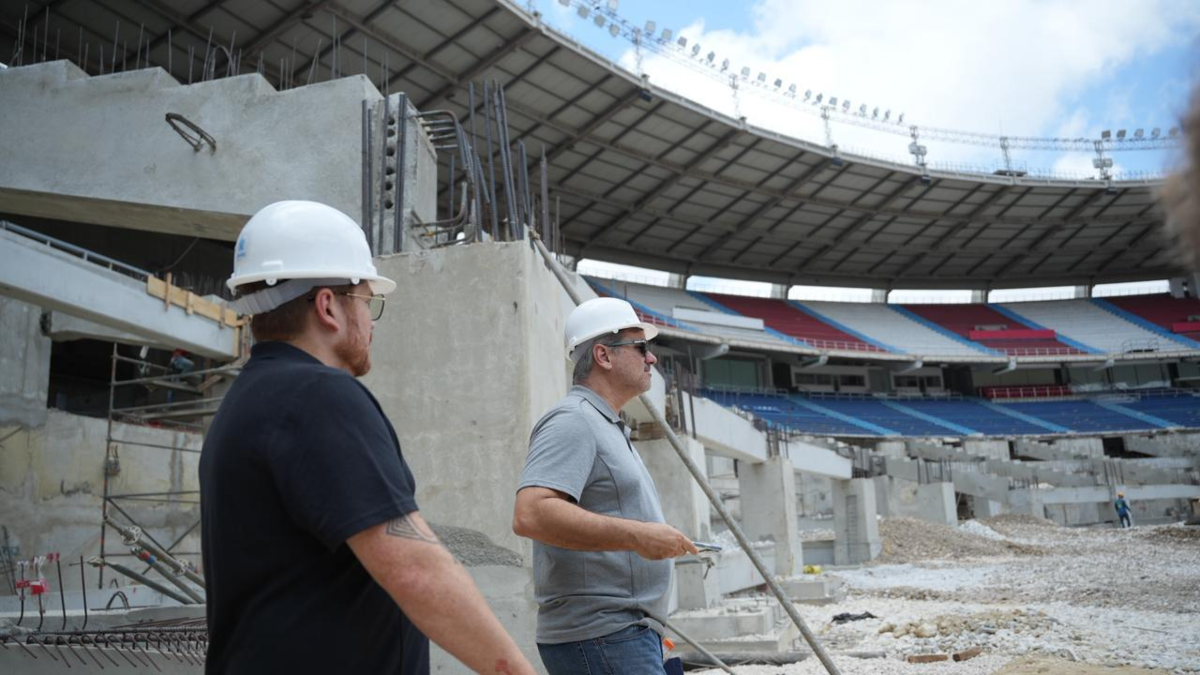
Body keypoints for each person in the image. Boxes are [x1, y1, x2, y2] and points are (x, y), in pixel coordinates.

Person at [200, 201, 535, 675]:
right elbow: (417, 569)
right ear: (328, 306)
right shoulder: (318, 396)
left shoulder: (247, 402)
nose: (372, 321)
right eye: (366, 301)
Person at [512, 297, 699, 675]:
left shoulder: (603, 424)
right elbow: (531, 513)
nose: (652, 359)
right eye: (640, 347)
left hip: (618, 635)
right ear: (604, 355)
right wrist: (638, 536)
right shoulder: (574, 421)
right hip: (604, 636)